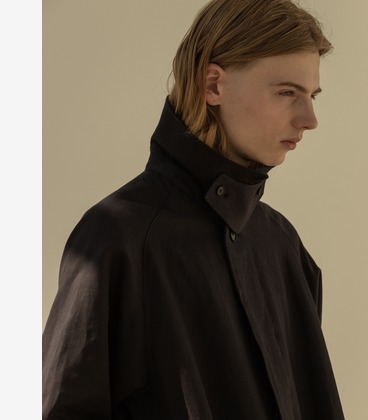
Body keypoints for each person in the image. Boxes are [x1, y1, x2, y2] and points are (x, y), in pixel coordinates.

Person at [42, 0, 345, 419]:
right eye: (287, 92)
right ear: (213, 85)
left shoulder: (282, 245)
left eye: (311, 96)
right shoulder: (118, 237)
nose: (309, 119)